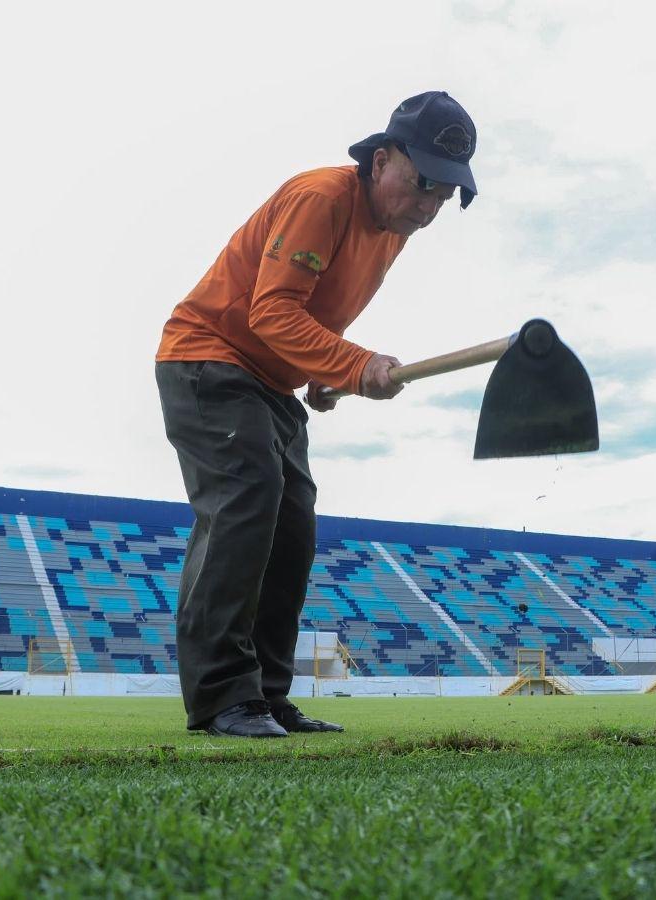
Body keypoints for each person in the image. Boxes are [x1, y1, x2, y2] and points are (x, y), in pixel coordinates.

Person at [154, 92, 478, 737]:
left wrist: (325, 374)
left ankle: (267, 699)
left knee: (293, 530)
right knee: (249, 502)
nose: (429, 207)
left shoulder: (394, 229)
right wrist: (353, 364)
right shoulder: (322, 197)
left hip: (272, 381)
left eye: (445, 195)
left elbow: (310, 315)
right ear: (381, 159)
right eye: (422, 185)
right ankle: (222, 698)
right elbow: (269, 311)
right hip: (210, 360)